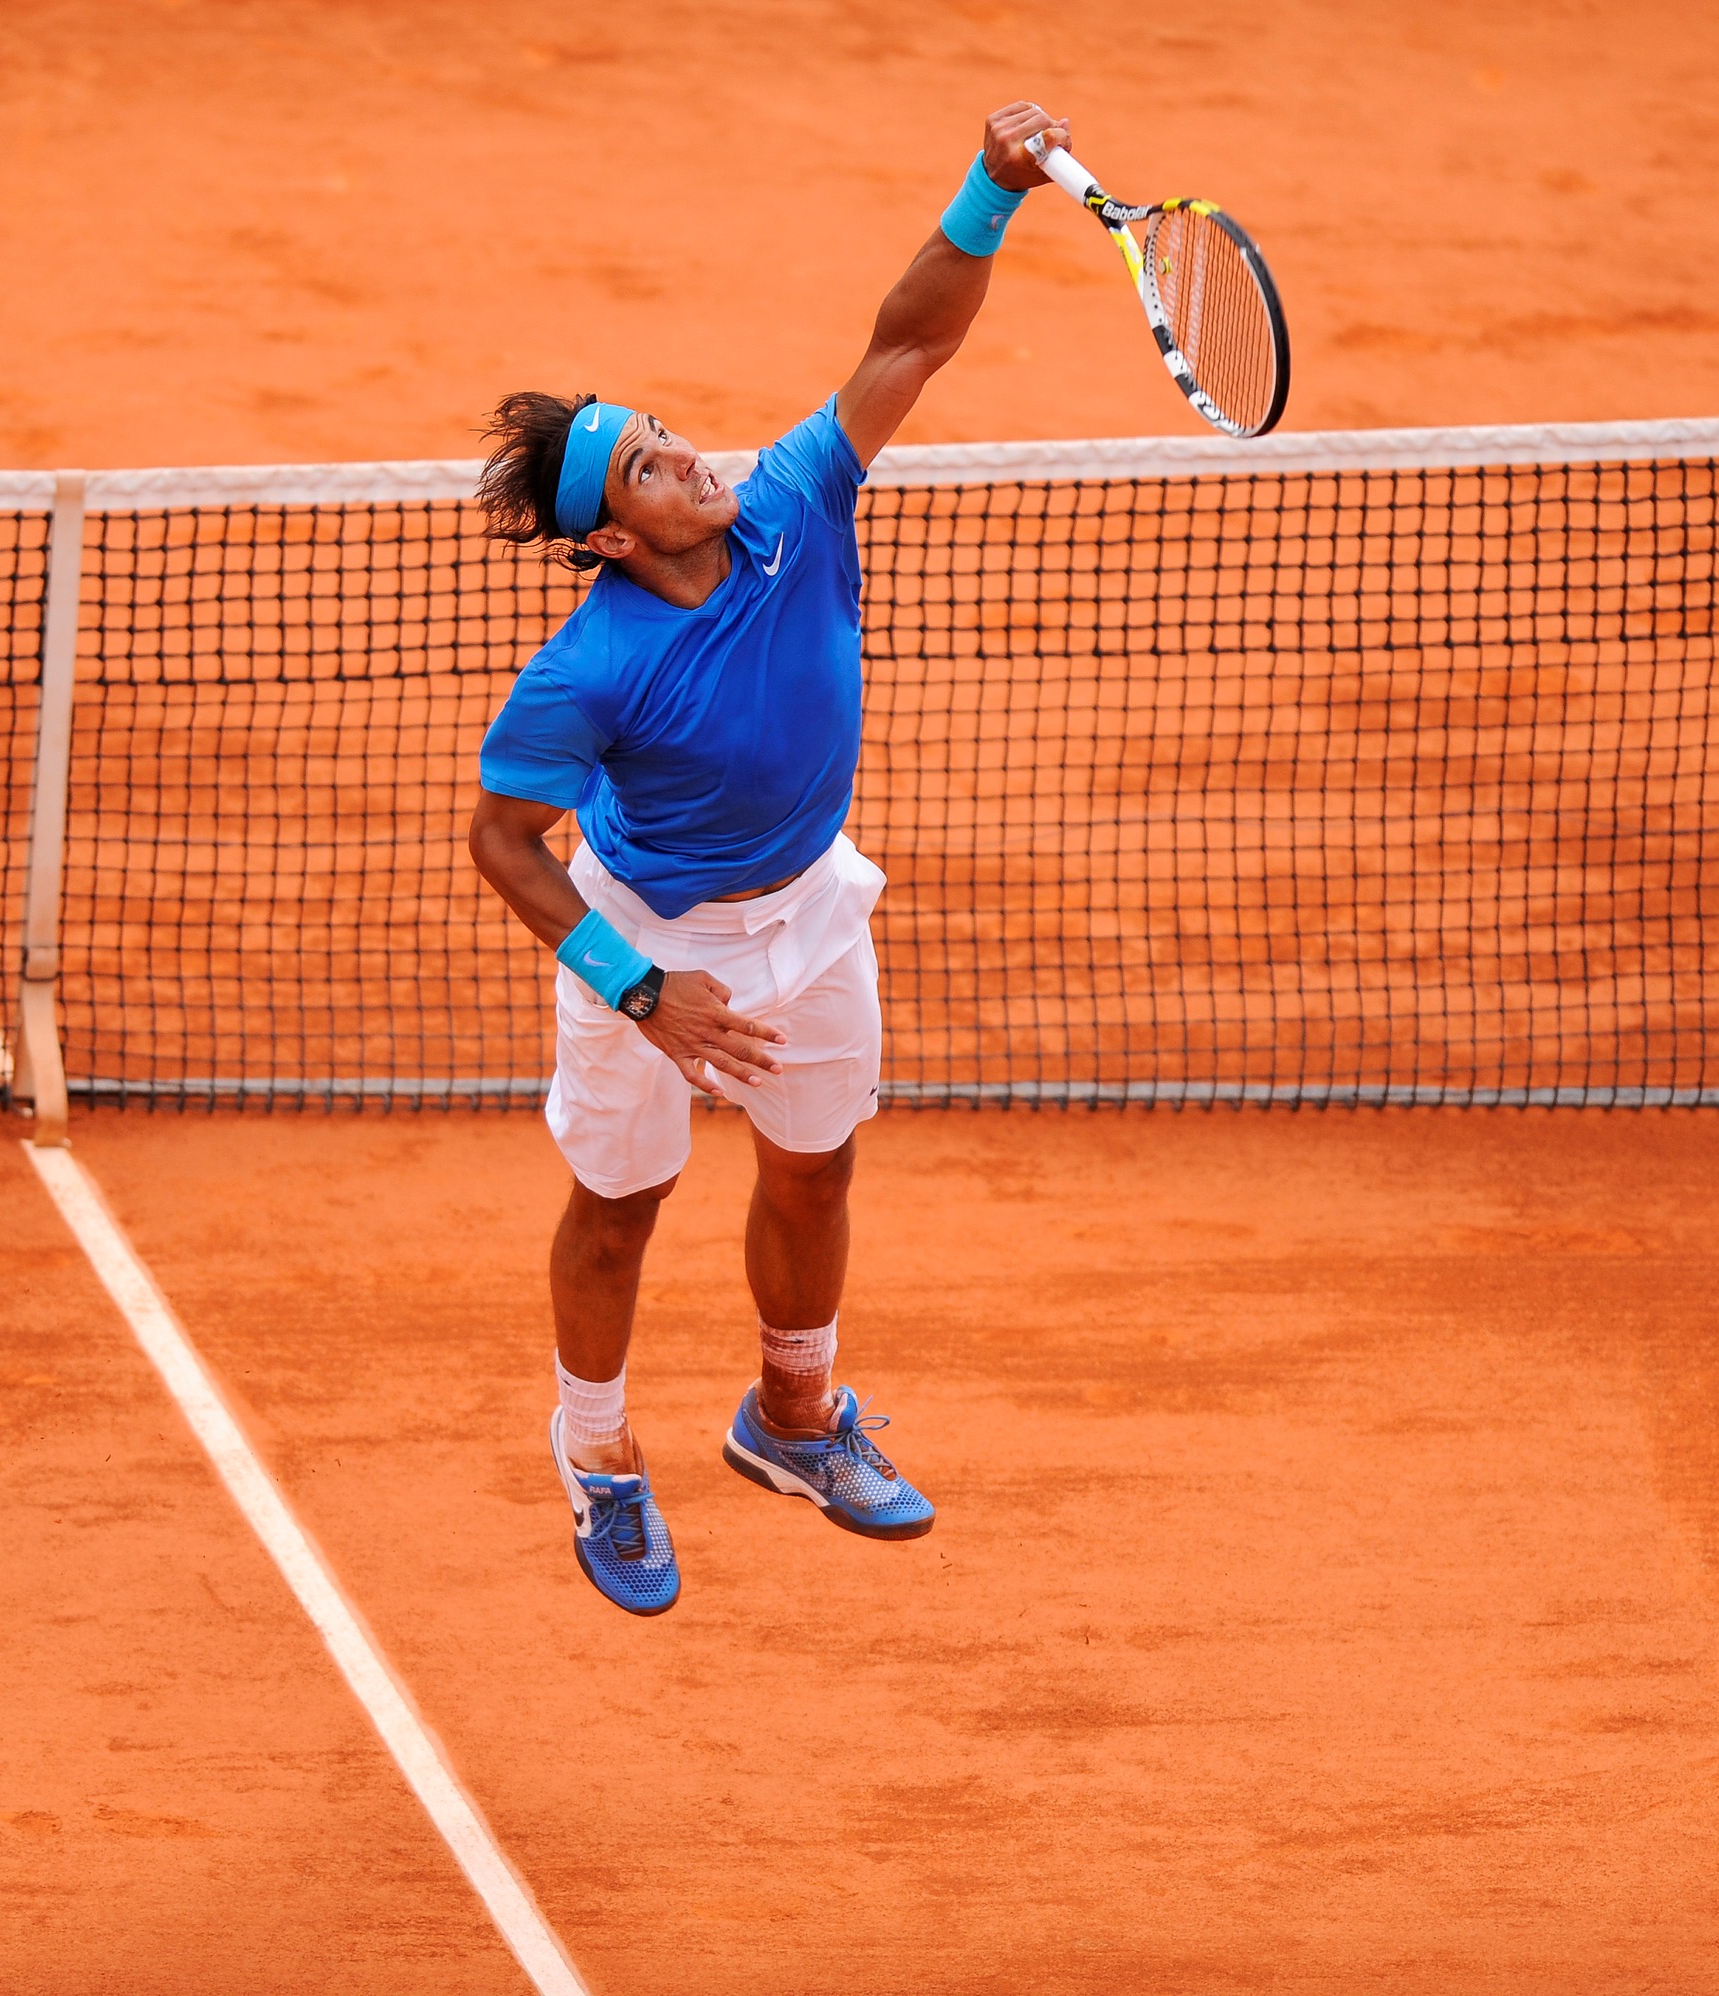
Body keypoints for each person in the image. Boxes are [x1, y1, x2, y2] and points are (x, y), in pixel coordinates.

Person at [466, 103, 1067, 1615]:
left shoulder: (794, 506)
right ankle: (599, 1455)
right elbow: (500, 840)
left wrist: (988, 190)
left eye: (672, 438)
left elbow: (907, 345)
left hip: (810, 913)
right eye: (655, 470)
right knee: (620, 1208)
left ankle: (792, 1419)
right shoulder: (584, 672)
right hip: (649, 941)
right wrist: (636, 983)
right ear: (611, 539)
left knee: (815, 1173)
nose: (690, 459)